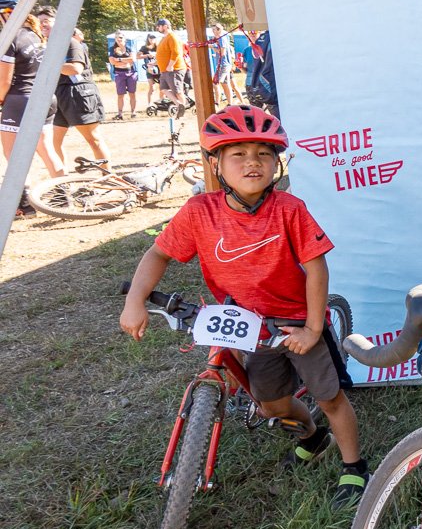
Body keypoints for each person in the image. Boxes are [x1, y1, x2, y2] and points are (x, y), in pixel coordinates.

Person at [119, 105, 371, 508]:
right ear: (215, 164)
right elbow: (158, 254)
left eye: (264, 154)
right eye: (238, 154)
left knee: (329, 398)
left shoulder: (289, 209)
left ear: (276, 163)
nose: (253, 162)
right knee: (270, 404)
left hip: (295, 321)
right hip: (248, 322)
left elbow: (316, 268)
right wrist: (135, 300)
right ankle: (313, 437)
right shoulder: (199, 212)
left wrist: (311, 328)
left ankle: (355, 466)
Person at [0, 0, 65, 216]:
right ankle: (63, 196)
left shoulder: (9, 38)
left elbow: (4, 81)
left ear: (7, 14)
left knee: (13, 154)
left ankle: (24, 203)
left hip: (19, 100)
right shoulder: (36, 34)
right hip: (45, 97)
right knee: (47, 151)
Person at [36, 7, 110, 167]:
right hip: (57, 95)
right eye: (39, 21)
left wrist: (47, 63)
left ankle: (109, 177)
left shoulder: (70, 42)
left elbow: (75, 68)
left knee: (93, 140)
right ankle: (61, 179)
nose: (42, 24)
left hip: (78, 93)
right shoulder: (47, 45)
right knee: (53, 142)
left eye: (46, 21)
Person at [154, 17, 186, 108]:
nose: (157, 28)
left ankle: (182, 107)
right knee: (163, 89)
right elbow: (164, 54)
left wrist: (170, 65)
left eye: (159, 26)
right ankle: (179, 105)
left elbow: (175, 52)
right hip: (165, 70)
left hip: (174, 69)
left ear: (165, 26)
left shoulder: (172, 37)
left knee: (177, 91)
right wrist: (155, 62)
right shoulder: (164, 38)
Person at [210, 22, 243, 106]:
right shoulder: (218, 39)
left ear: (218, 30)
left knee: (217, 83)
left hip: (224, 65)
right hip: (225, 64)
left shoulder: (222, 39)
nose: (213, 31)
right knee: (233, 85)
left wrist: (213, 47)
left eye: (214, 30)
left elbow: (222, 53)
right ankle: (240, 102)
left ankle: (219, 102)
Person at [108, 32, 138, 119]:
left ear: (125, 39)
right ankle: (120, 114)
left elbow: (132, 60)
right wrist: (126, 61)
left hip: (131, 73)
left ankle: (133, 112)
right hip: (119, 74)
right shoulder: (112, 49)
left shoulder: (129, 48)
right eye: (117, 37)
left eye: (121, 37)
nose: (119, 39)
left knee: (132, 93)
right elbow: (112, 62)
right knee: (120, 94)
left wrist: (119, 59)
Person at [138, 33, 161, 108]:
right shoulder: (144, 48)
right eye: (150, 38)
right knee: (152, 87)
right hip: (150, 69)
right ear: (148, 39)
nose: (152, 39)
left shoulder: (159, 46)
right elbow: (138, 56)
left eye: (153, 38)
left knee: (162, 87)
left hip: (160, 69)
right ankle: (149, 104)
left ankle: (162, 102)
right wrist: (147, 55)